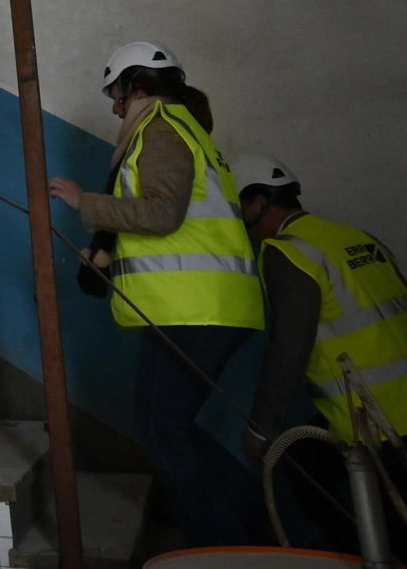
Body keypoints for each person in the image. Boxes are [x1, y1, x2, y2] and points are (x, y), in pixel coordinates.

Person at [48, 41, 266, 548]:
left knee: (161, 431)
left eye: (118, 95)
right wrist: (102, 258)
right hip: (201, 307)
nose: (115, 106)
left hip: (194, 309)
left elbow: (162, 215)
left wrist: (86, 202)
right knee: (168, 429)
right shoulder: (183, 129)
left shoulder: (162, 128)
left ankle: (221, 546)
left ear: (137, 86)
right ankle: (250, 530)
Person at [235, 154, 407, 566]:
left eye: (237, 208)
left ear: (256, 202)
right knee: (308, 465)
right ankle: (362, 554)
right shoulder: (355, 237)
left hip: (379, 421)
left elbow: (288, 348)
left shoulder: (286, 253)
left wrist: (261, 428)